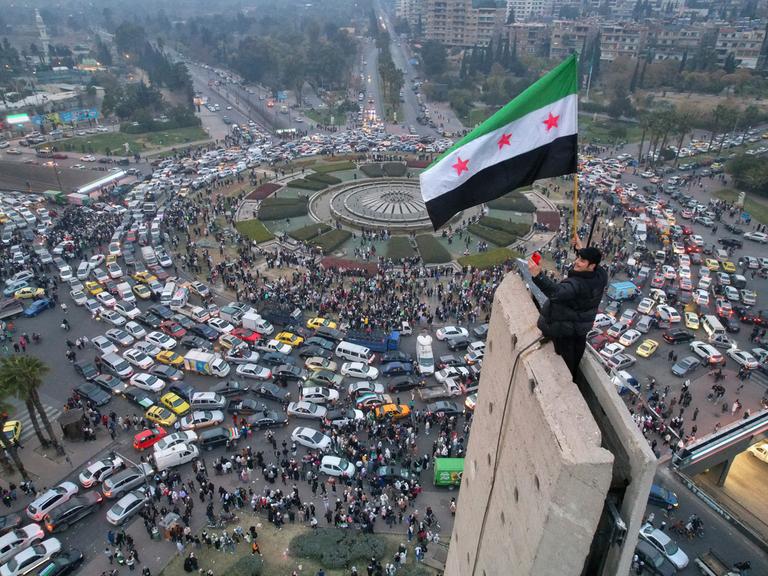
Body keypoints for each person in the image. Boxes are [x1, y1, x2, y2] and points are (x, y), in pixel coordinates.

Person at [528, 235, 608, 378]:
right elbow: (594, 264)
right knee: (575, 358)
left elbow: (555, 293)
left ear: (591, 266)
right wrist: (582, 250)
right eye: (578, 258)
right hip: (579, 329)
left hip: (564, 330)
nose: (576, 262)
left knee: (566, 366)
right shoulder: (600, 276)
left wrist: (538, 275)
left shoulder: (576, 285)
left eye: (582, 260)